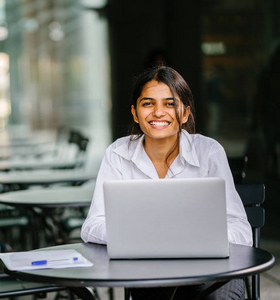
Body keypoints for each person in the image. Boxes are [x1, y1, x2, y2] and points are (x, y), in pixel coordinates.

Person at [81, 66, 252, 300]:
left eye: (170, 104)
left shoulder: (209, 152)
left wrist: (200, 239)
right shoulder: (117, 153)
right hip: (148, 271)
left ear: (185, 113)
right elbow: (92, 225)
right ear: (135, 112)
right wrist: (135, 237)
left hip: (212, 273)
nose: (158, 112)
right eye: (148, 103)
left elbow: (242, 230)